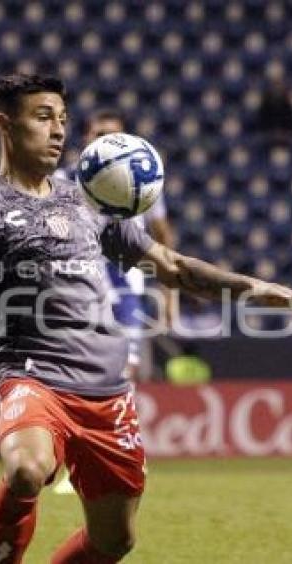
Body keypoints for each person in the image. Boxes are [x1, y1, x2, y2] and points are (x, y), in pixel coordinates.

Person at [0, 73, 292, 563]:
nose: (58, 131)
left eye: (63, 120)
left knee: (115, 540)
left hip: (107, 389)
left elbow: (172, 266)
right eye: (44, 117)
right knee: (28, 470)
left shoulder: (88, 203)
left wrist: (251, 287)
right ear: (4, 125)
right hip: (34, 376)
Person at [58, 108, 176, 380]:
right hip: (78, 288)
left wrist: (170, 294)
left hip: (126, 287)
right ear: (87, 138)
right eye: (100, 135)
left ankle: (118, 422)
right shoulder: (62, 181)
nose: (106, 142)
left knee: (125, 371)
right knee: (80, 372)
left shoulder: (144, 182)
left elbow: (163, 236)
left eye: (114, 136)